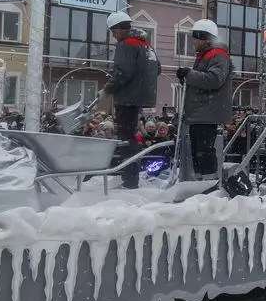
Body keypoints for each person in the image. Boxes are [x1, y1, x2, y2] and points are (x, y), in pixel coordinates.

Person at [98, 11, 161, 189]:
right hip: (141, 97)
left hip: (127, 98)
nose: (113, 35)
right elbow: (158, 69)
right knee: (131, 136)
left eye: (114, 31)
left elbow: (122, 73)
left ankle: (129, 179)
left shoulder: (126, 45)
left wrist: (107, 90)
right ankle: (131, 175)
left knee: (126, 138)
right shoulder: (147, 45)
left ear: (121, 28)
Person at [176, 19, 233, 185]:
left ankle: (209, 183)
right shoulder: (206, 55)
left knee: (204, 151)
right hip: (200, 112)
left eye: (195, 38)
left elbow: (214, 80)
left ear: (204, 38)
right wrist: (186, 77)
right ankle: (202, 182)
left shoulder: (217, 55)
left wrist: (190, 74)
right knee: (198, 151)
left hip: (207, 111)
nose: (193, 42)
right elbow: (202, 81)